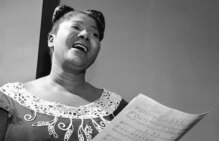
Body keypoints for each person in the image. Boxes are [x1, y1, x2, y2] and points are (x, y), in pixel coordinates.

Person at [0, 5, 127, 141]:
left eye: (94, 34)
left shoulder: (117, 108)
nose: (85, 34)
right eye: (76, 27)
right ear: (51, 40)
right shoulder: (8, 99)